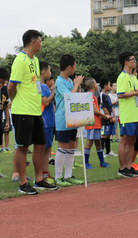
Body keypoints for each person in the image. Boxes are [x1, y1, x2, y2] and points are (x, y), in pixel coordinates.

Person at [8, 29, 57, 194]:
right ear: (33, 42)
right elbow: (11, 86)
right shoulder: (20, 60)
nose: (41, 44)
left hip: (36, 112)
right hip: (22, 111)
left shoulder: (35, 60)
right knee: (23, 146)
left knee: (40, 145)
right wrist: (15, 100)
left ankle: (39, 179)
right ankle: (23, 183)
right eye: (40, 41)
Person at [116, 51, 138, 178]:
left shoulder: (134, 77)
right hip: (127, 114)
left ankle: (129, 166)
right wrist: (136, 93)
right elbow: (120, 94)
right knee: (125, 140)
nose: (135, 61)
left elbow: (135, 94)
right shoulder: (122, 77)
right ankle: (122, 168)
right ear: (126, 62)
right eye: (132, 59)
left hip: (135, 113)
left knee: (133, 140)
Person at [53, 54, 84, 187]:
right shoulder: (59, 81)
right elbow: (69, 97)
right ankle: (58, 176)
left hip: (72, 119)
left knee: (72, 146)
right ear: (70, 67)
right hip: (62, 119)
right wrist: (76, 84)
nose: (75, 68)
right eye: (75, 65)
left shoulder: (70, 81)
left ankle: (68, 175)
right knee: (63, 146)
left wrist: (76, 85)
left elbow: (75, 97)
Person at [84, 78, 110, 170]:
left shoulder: (92, 96)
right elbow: (95, 111)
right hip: (92, 123)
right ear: (95, 85)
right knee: (89, 143)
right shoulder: (89, 96)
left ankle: (102, 162)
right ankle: (86, 163)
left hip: (96, 123)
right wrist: (105, 116)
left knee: (98, 143)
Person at [39, 61, 56, 182]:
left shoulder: (45, 86)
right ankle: (40, 175)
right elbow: (45, 102)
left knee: (47, 149)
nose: (50, 73)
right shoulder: (39, 86)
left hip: (49, 121)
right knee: (42, 149)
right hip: (44, 121)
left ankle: (45, 173)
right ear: (43, 72)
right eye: (49, 70)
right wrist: (54, 91)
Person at [99, 79, 117, 157]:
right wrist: (109, 116)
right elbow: (103, 107)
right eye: (109, 85)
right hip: (104, 118)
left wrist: (114, 116)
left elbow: (111, 107)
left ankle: (108, 151)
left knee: (109, 134)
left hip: (110, 117)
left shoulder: (107, 95)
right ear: (105, 85)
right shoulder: (101, 95)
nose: (110, 86)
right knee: (104, 134)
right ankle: (102, 151)